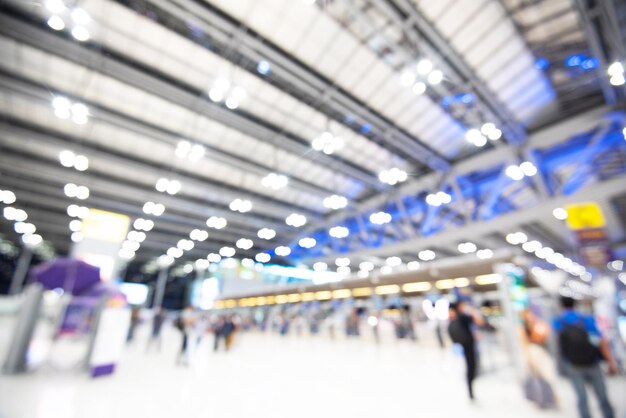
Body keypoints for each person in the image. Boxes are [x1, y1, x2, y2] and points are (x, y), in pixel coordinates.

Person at [553, 296, 617, 418]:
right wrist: (610, 361)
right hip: (592, 362)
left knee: (581, 397)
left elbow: (558, 346)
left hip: (573, 364)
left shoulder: (558, 322)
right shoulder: (586, 319)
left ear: (561, 306)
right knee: (602, 395)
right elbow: (601, 341)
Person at [520, 308, 558, 408]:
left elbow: (545, 335)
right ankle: (539, 399)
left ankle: (550, 397)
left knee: (547, 376)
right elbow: (524, 343)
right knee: (536, 378)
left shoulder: (538, 324)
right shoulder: (523, 328)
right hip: (533, 352)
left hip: (540, 351)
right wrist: (528, 359)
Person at [448, 300, 484, 400]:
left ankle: (470, 390)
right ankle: (470, 391)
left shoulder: (455, 317)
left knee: (469, 366)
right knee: (471, 367)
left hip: (464, 345)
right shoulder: (462, 316)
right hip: (469, 345)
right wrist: (472, 311)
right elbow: (479, 321)